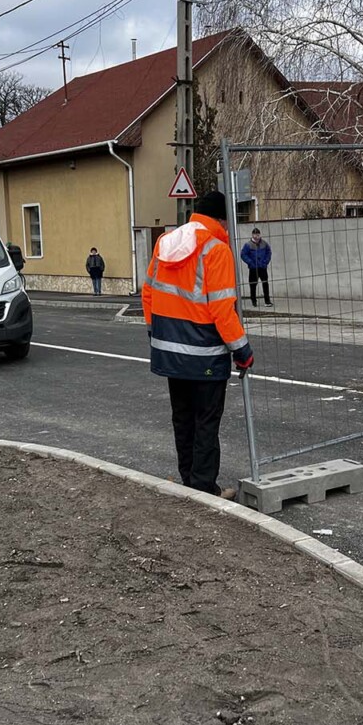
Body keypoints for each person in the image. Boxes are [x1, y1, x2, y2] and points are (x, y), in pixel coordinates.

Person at [143, 190, 253, 500]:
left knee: (183, 418)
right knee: (206, 422)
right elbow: (221, 309)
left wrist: (157, 334)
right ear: (220, 219)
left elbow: (148, 293)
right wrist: (242, 351)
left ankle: (188, 478)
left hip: (170, 354)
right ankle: (204, 488)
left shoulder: (166, 243)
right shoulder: (216, 249)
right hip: (204, 354)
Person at [239, 228, 273, 307]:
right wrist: (250, 262)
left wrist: (265, 262)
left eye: (258, 235)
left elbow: (269, 252)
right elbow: (243, 255)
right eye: (255, 235)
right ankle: (253, 300)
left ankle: (267, 301)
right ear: (252, 235)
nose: (256, 236)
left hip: (262, 267)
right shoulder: (248, 245)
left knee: (265, 283)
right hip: (253, 268)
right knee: (253, 284)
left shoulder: (264, 243)